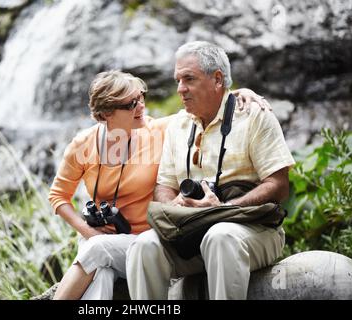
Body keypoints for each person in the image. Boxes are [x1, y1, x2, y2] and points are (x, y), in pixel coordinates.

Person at [48, 70, 270, 300]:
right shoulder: (83, 144)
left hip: (146, 242)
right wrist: (88, 231)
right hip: (98, 242)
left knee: (96, 251)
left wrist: (237, 93)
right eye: (130, 104)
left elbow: (207, 106)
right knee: (101, 272)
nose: (141, 106)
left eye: (141, 97)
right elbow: (58, 197)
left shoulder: (161, 130)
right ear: (105, 114)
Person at [126, 41, 296, 300]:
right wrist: (178, 203)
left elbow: (279, 185)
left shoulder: (254, 115)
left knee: (220, 236)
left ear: (217, 79)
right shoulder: (177, 125)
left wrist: (224, 210)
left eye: (189, 79)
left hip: (252, 229)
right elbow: (164, 186)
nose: (180, 89)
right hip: (192, 231)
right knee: (143, 245)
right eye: (178, 80)